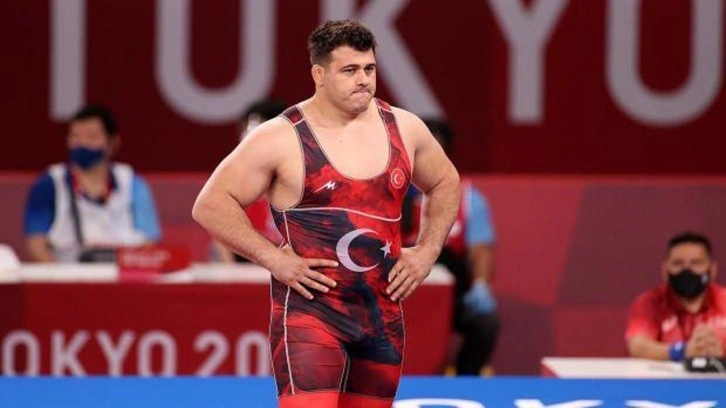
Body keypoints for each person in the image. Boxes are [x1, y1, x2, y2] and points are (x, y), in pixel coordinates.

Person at [193, 20, 460, 408]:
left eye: (369, 69)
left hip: (380, 318)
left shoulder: (405, 128)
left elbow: (446, 182)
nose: (363, 80)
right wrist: (273, 259)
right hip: (311, 316)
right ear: (319, 74)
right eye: (349, 70)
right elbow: (211, 204)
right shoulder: (281, 137)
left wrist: (427, 251)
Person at [402, 119, 500, 376]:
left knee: (485, 324)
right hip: (396, 292)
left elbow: (481, 250)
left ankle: (464, 384)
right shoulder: (391, 190)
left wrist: (481, 285)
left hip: (450, 296)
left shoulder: (468, 197)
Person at [24, 104, 161, 263]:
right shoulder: (49, 185)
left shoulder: (132, 184)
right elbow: (36, 247)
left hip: (123, 274)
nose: (82, 143)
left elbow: (149, 243)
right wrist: (64, 276)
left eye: (92, 137)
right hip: (66, 274)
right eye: (75, 136)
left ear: (113, 143)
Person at [626, 232, 726, 361]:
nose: (687, 270)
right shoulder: (649, 302)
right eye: (678, 263)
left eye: (696, 263)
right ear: (665, 270)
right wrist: (681, 351)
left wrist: (721, 350)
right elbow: (637, 346)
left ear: (712, 270)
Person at [213, 99, 287, 263]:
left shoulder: (303, 175)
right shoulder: (234, 177)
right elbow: (219, 227)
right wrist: (230, 272)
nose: (247, 139)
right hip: (246, 262)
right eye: (246, 132)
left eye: (256, 131)